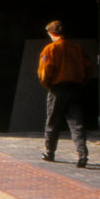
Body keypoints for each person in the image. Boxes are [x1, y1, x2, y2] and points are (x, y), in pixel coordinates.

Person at [37, 20, 93, 168]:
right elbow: (88, 66)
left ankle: (50, 152)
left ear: (51, 33)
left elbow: (45, 72)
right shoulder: (77, 48)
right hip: (75, 88)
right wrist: (83, 82)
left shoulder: (50, 49)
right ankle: (82, 154)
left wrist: (48, 85)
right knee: (77, 124)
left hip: (57, 89)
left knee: (53, 121)